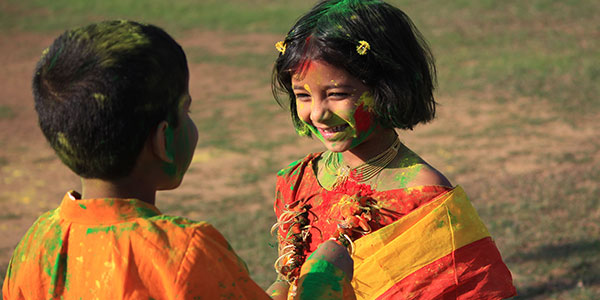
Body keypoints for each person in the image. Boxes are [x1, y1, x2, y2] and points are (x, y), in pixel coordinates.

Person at [2, 20, 354, 300]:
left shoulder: (37, 244)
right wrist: (321, 278)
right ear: (163, 140)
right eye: (186, 110)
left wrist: (281, 283)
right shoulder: (184, 252)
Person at [269, 0, 517, 299]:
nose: (318, 112)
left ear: (387, 88)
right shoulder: (298, 182)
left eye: (336, 94)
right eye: (303, 95)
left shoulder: (423, 198)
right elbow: (290, 279)